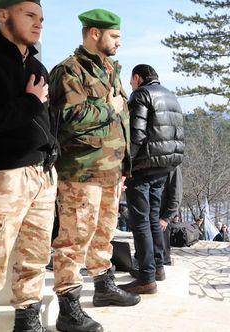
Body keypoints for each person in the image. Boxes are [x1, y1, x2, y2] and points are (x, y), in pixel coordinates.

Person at [48, 9, 140, 332]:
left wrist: (125, 164)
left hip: (111, 173)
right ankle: (68, 307)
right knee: (74, 239)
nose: (118, 43)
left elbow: (122, 120)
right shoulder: (68, 72)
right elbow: (69, 118)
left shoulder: (110, 71)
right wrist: (107, 107)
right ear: (93, 34)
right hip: (81, 172)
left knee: (104, 233)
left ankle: (103, 286)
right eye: (114, 37)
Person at [0, 1, 58, 330]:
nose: (38, 24)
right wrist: (30, 101)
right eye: (29, 15)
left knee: (35, 256)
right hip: (6, 173)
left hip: (42, 173)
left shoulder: (36, 66)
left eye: (41, 18)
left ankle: (28, 322)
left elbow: (47, 121)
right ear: (3, 14)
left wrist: (53, 152)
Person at [122, 64, 184, 294]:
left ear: (137, 77)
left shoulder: (141, 95)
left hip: (142, 167)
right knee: (153, 218)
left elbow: (136, 135)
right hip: (163, 167)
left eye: (131, 81)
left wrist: (125, 165)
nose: (130, 85)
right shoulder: (171, 96)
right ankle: (158, 266)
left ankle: (146, 277)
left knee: (140, 223)